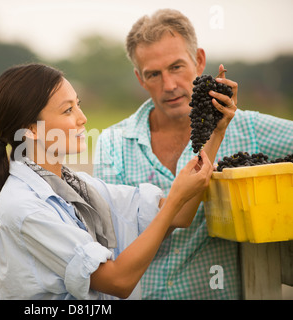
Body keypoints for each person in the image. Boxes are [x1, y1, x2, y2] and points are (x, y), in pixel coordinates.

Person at [0, 63, 236, 299]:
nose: (82, 118)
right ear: (31, 130)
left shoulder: (79, 187)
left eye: (78, 104)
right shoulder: (25, 208)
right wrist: (176, 197)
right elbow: (118, 281)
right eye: (67, 110)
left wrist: (216, 130)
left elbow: (179, 216)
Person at [94, 8, 293, 299]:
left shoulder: (246, 127)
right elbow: (115, 241)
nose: (170, 85)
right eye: (154, 74)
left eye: (176, 67)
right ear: (140, 78)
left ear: (199, 61)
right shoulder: (113, 143)